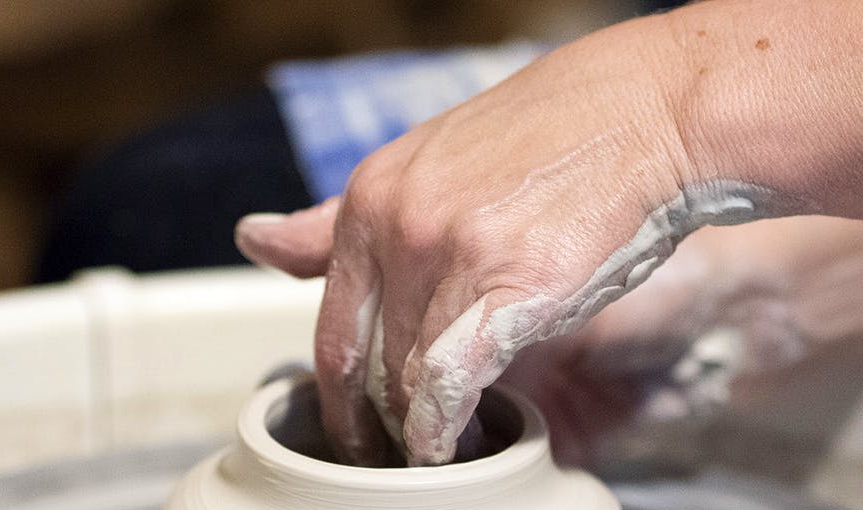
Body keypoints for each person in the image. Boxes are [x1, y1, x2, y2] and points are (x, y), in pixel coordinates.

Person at [233, 0, 863, 467]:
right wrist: (753, 290)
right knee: (176, 185)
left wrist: (667, 105)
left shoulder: (676, 94)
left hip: (733, 70)